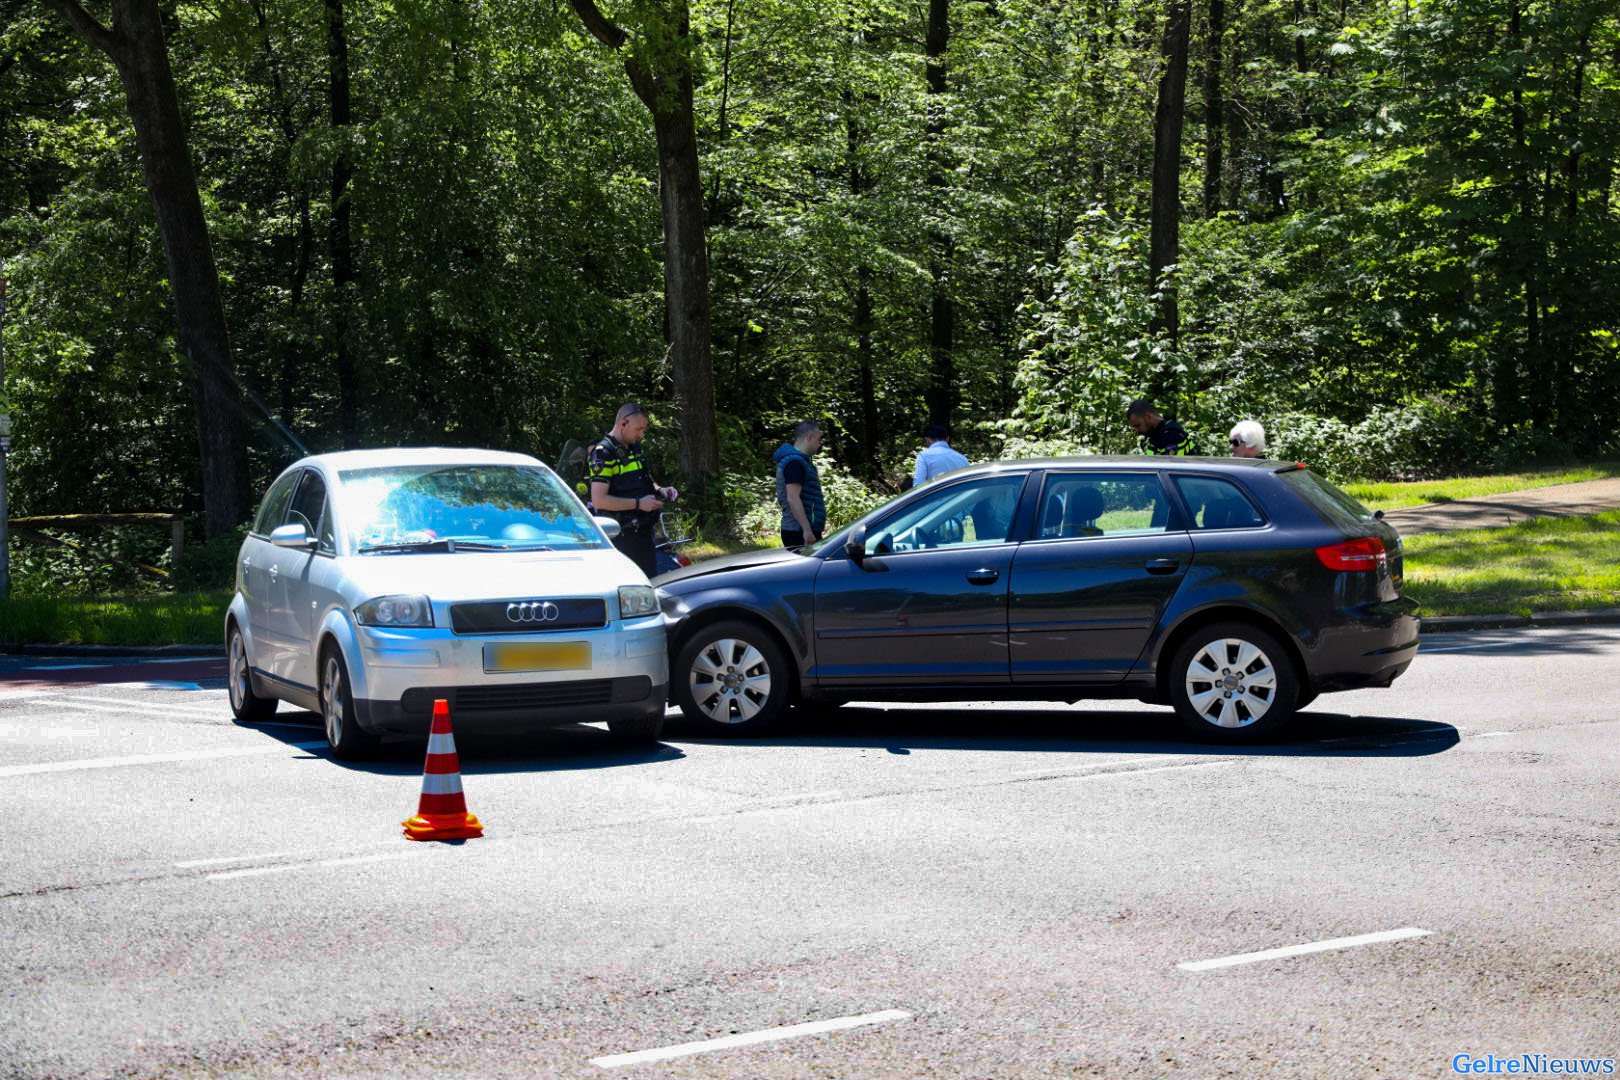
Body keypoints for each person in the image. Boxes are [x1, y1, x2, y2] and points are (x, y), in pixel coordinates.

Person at [588, 402, 677, 578]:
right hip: (622, 538)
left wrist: (661, 490)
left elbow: (643, 478)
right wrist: (639, 503)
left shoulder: (633, 448)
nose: (641, 434)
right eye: (639, 429)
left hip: (643, 533)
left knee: (652, 583)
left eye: (643, 429)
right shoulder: (603, 453)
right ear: (623, 423)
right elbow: (599, 501)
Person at [773, 421, 826, 550]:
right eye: (819, 439)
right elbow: (792, 498)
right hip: (798, 532)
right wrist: (807, 530)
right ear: (809, 437)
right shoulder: (795, 463)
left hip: (802, 530)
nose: (820, 444)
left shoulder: (801, 461)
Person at [1126, 398, 1193, 456]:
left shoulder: (1170, 435)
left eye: (1138, 425)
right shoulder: (1157, 433)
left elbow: (1169, 468)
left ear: (1148, 417)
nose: (1137, 430)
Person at [912, 422, 970, 487]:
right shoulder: (962, 458)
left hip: (936, 497)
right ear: (947, 439)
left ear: (927, 440)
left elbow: (918, 485)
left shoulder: (923, 456)